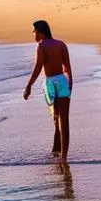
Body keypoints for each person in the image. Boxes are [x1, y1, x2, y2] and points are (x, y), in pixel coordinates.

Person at [22, 20, 72, 160]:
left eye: (34, 31)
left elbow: (38, 68)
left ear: (41, 32)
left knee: (56, 119)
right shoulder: (61, 44)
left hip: (50, 83)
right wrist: (70, 85)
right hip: (62, 81)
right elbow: (67, 67)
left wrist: (29, 86)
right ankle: (63, 156)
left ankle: (57, 151)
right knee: (64, 121)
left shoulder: (41, 46)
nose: (33, 34)